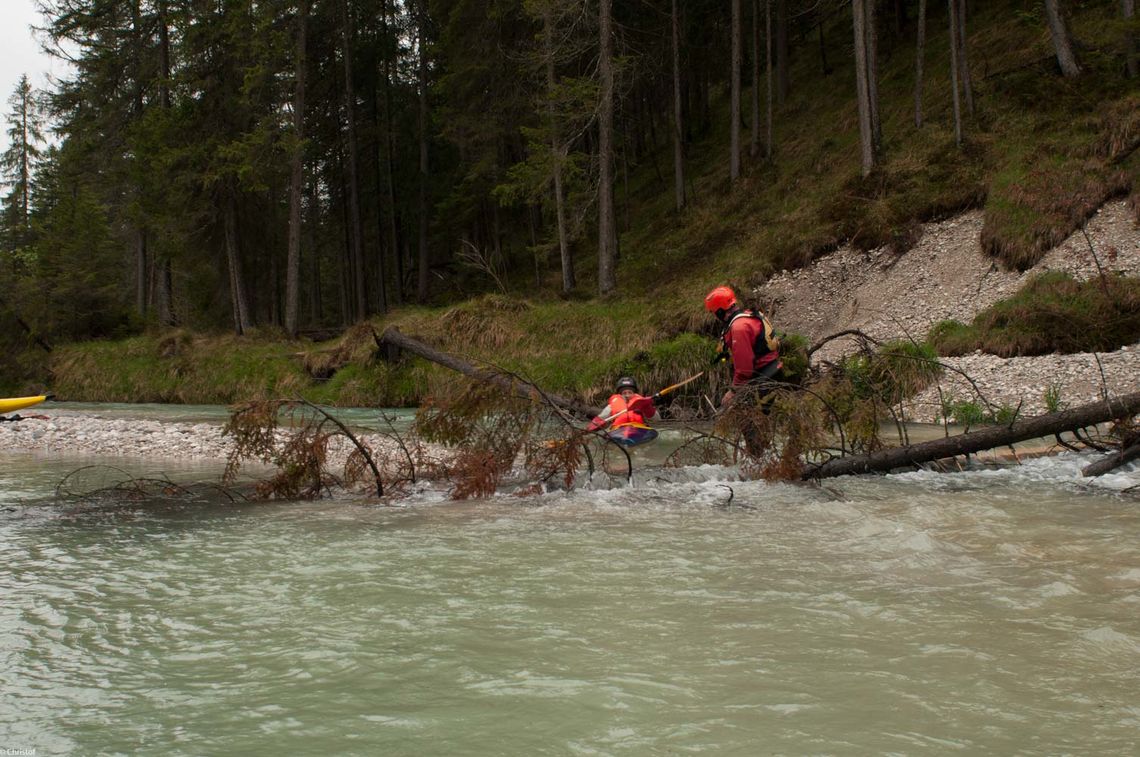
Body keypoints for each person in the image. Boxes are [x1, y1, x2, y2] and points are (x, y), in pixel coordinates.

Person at [704, 285, 784, 410]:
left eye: (714, 312)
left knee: (754, 422)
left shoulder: (738, 327)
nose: (714, 316)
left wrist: (733, 391)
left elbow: (744, 369)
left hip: (763, 377)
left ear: (720, 312)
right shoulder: (747, 316)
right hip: (771, 368)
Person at [586, 376, 660, 447]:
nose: (627, 395)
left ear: (634, 393)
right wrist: (589, 428)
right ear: (620, 394)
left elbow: (657, 419)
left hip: (638, 428)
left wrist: (647, 407)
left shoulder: (641, 402)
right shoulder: (612, 404)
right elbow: (600, 419)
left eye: (630, 392)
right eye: (624, 393)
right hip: (618, 429)